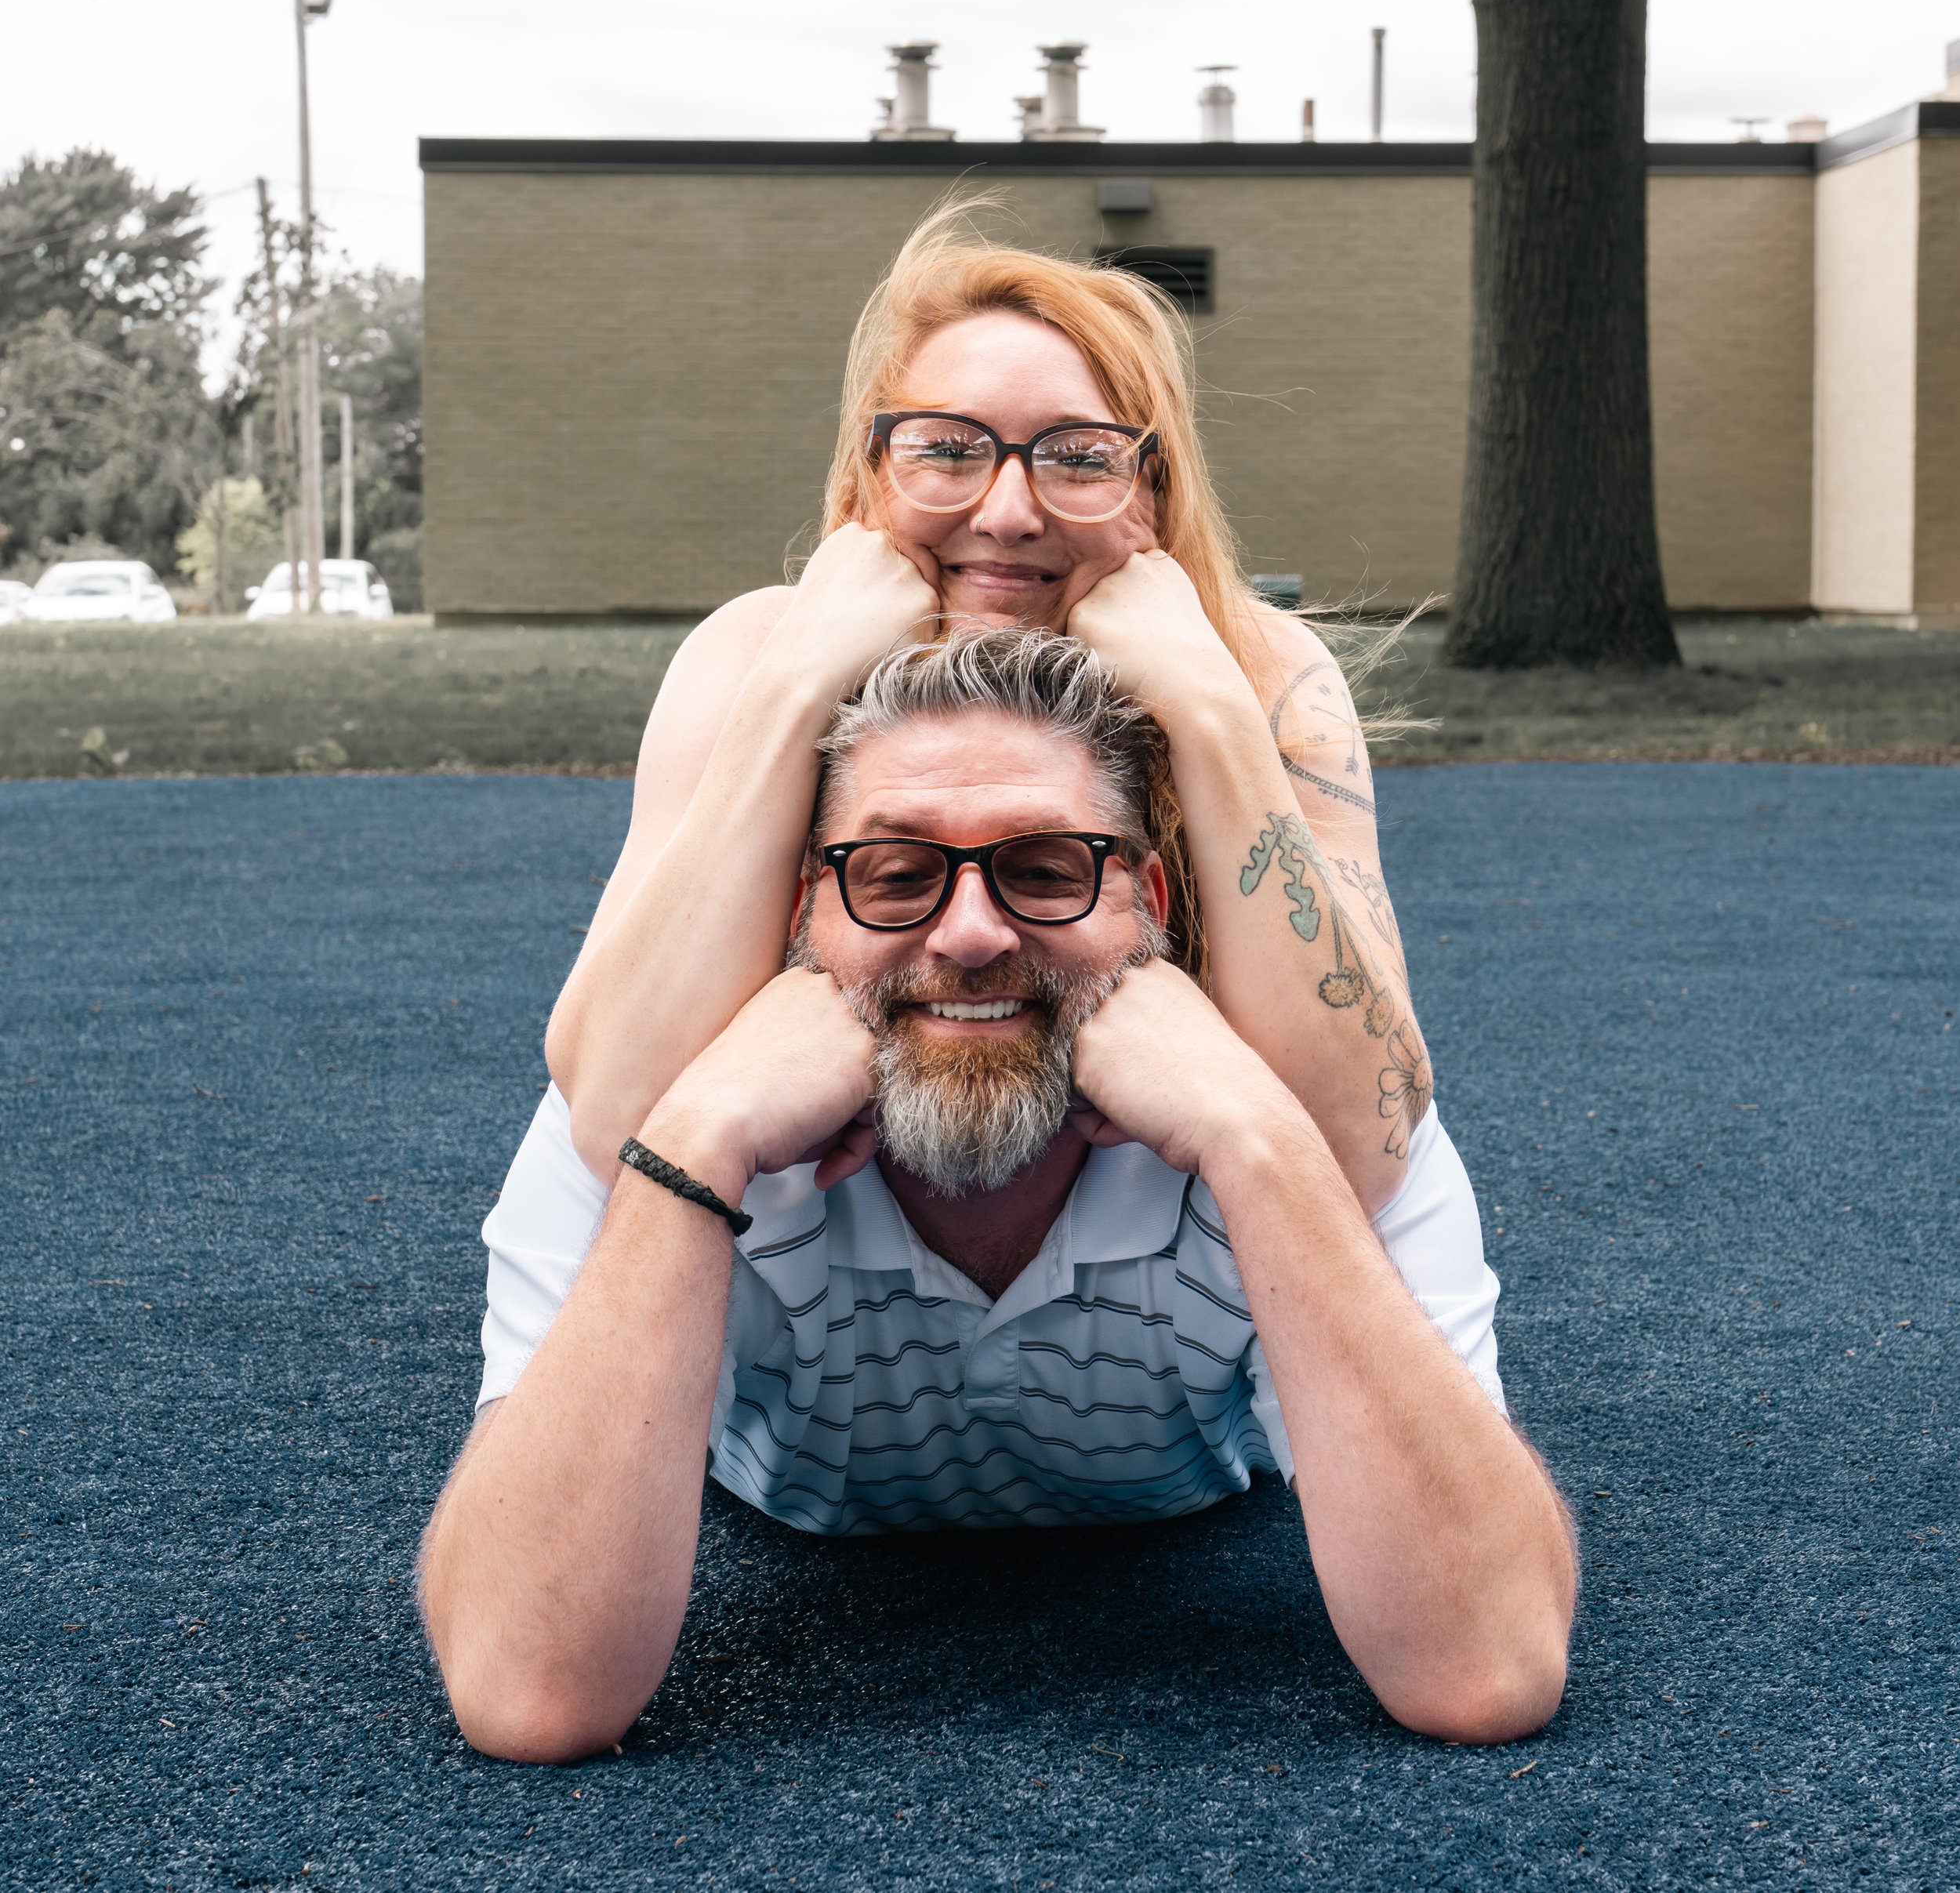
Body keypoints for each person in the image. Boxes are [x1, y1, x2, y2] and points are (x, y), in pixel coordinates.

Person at [419, 629, 1576, 1765]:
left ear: (1150, 899)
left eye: (1044, 869)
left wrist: (1260, 1140)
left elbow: (1486, 1668)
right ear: (796, 915)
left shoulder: (1313, 1109)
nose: (971, 936)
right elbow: (532, 1692)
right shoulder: (656, 1108)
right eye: (894, 875)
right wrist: (696, 1146)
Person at [543, 205, 1436, 1219]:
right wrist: (793, 693)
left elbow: (1369, 1145)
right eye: (947, 448)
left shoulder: (1260, 671)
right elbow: (613, 1116)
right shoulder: (756, 654)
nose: (1009, 511)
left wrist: (1210, 712)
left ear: (1156, 489)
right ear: (870, 477)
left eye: (1080, 455)